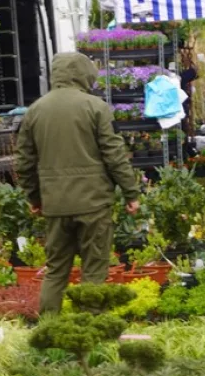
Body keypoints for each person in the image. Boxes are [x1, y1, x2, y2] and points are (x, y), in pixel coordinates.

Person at [15, 53, 141, 314]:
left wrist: (35, 198)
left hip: (55, 205)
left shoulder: (35, 111)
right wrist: (131, 192)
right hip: (93, 203)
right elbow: (114, 154)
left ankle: (49, 331)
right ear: (85, 74)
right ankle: (89, 332)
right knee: (94, 271)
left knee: (56, 271)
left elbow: (24, 163)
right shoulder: (95, 107)